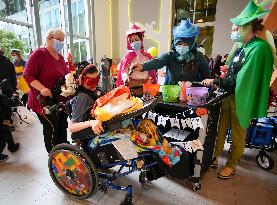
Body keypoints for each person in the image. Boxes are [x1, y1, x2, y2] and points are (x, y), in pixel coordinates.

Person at [202, 1, 273, 179]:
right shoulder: (242, 46)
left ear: (248, 27)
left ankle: (232, 164)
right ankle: (214, 156)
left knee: (237, 134)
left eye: (235, 29)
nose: (232, 32)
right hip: (228, 95)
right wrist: (225, 72)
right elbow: (234, 71)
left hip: (243, 98)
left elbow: (243, 80)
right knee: (219, 129)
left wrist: (217, 81)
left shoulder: (259, 48)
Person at [23, 28, 70, 153]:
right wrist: (42, 88)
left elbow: (66, 75)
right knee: (52, 127)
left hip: (60, 99)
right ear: (49, 39)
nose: (61, 43)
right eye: (58, 40)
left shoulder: (60, 57)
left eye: (62, 41)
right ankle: (54, 154)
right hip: (44, 101)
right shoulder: (38, 54)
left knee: (62, 125)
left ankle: (64, 150)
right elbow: (28, 75)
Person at [131, 20, 210, 85]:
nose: (182, 46)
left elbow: (206, 75)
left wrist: (207, 83)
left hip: (191, 94)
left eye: (186, 44)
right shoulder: (170, 55)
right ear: (174, 43)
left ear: (192, 44)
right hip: (171, 92)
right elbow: (157, 61)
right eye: (179, 44)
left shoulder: (198, 56)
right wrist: (142, 66)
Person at [67, 64, 103, 150]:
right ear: (81, 80)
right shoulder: (82, 98)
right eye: (90, 82)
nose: (94, 85)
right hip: (90, 141)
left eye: (96, 80)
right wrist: (91, 123)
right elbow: (72, 127)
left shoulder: (95, 91)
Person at [116, 24, 157, 96]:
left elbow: (151, 71)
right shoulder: (127, 57)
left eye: (136, 40)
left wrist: (150, 80)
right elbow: (124, 71)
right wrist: (125, 78)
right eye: (132, 41)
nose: (134, 42)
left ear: (141, 40)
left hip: (145, 86)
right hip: (132, 86)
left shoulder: (147, 56)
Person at [0, 84, 20, 161]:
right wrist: (14, 98)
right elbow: (11, 103)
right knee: (3, 137)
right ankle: (11, 146)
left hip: (4, 120)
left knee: (6, 131)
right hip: (3, 120)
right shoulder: (2, 99)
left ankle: (12, 146)